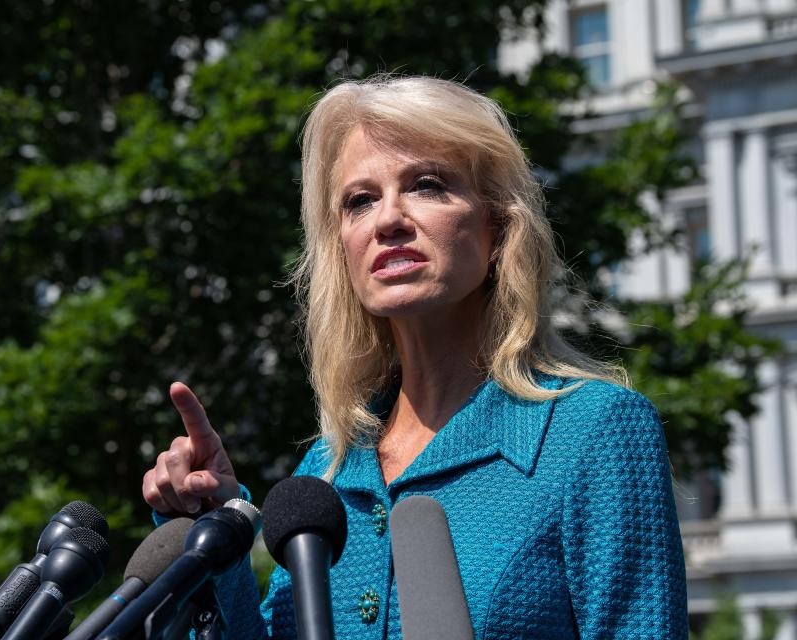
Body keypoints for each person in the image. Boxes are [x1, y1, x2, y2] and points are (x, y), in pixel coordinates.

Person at [142, 75, 688, 639]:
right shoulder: (325, 475)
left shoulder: (596, 432)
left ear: (498, 225)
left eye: (427, 185)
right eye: (360, 201)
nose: (388, 220)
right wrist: (215, 522)